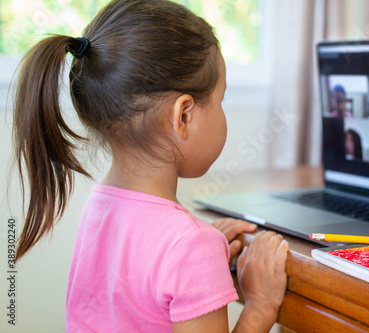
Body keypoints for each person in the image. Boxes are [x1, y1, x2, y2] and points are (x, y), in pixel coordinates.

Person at [11, 0, 288, 332]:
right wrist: (261, 306)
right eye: (221, 99)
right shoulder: (191, 245)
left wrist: (202, 262)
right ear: (183, 115)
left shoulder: (99, 207)